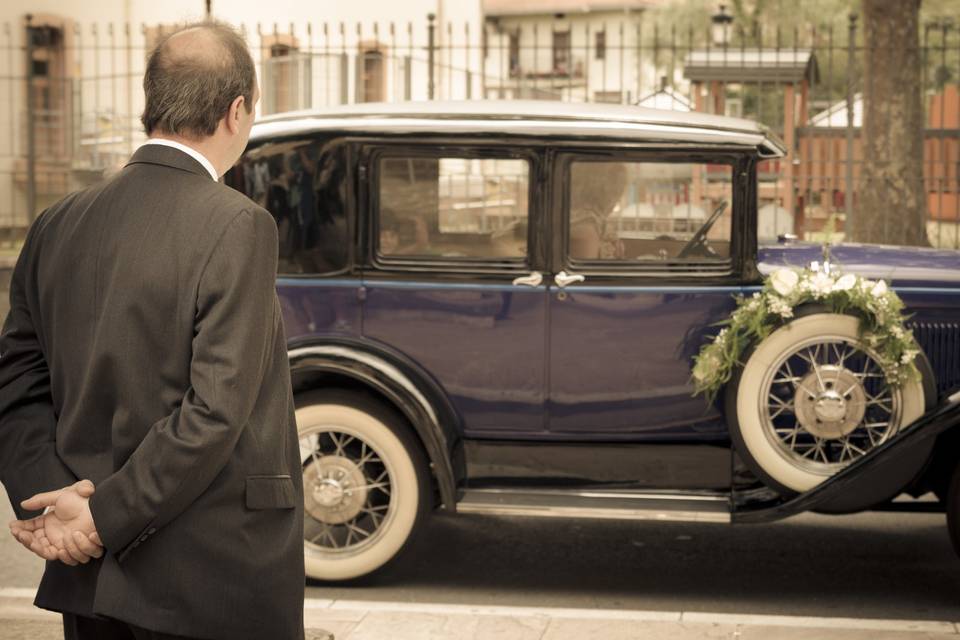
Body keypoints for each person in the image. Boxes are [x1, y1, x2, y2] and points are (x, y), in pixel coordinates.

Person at [0, 21, 305, 640]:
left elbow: (15, 382)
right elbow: (214, 411)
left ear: (152, 102)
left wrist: (50, 499)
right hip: (207, 577)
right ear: (238, 110)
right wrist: (98, 518)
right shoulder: (238, 225)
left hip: (87, 578)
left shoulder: (56, 223)